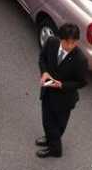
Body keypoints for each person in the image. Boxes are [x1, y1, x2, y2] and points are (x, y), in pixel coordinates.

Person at [36, 23, 88, 158]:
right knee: (46, 120)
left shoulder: (80, 59)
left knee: (57, 125)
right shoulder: (51, 42)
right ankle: (49, 138)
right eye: (67, 42)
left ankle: (55, 150)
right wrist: (44, 72)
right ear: (60, 39)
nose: (70, 46)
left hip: (64, 98)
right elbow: (42, 59)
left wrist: (62, 85)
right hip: (48, 90)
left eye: (74, 43)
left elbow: (82, 82)